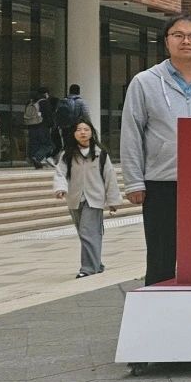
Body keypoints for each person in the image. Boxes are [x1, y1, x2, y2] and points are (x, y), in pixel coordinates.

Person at [120, 14, 191, 286]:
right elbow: (131, 133)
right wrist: (134, 181)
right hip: (161, 183)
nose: (186, 41)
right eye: (178, 35)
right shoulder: (144, 82)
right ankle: (157, 310)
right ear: (167, 41)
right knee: (160, 258)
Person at [53, 117, 123, 278]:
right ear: (74, 134)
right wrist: (60, 188)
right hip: (75, 198)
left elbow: (110, 177)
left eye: (86, 129)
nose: (82, 133)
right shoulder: (67, 154)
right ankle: (97, 264)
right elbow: (60, 173)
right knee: (85, 232)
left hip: (94, 198)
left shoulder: (100, 154)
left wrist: (113, 201)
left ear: (92, 133)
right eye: (79, 130)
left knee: (87, 232)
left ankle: (87, 268)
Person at [54, 84, 91, 149]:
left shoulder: (63, 100)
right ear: (78, 91)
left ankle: (67, 154)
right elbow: (86, 115)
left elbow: (57, 113)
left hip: (64, 127)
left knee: (66, 144)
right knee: (76, 145)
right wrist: (89, 125)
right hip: (76, 127)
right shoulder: (81, 102)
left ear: (70, 91)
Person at [23, 90, 53, 168]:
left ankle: (36, 163)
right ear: (44, 94)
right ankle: (37, 157)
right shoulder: (44, 102)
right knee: (48, 145)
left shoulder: (30, 103)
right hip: (42, 126)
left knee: (35, 145)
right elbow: (48, 116)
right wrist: (51, 125)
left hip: (31, 127)